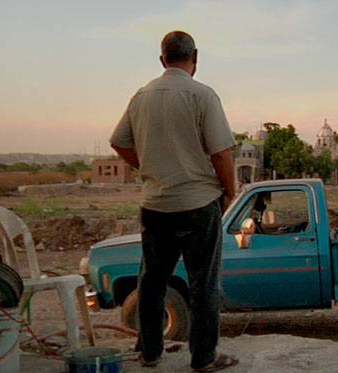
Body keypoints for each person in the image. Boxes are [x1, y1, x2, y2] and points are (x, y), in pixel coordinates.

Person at [110, 30, 239, 372]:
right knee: (204, 285)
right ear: (195, 57)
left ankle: (150, 352)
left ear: (161, 59)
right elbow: (222, 154)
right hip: (198, 205)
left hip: (156, 206)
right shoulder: (203, 95)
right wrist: (230, 190)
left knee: (152, 282)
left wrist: (150, 166)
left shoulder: (142, 96)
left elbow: (119, 143)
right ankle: (204, 357)